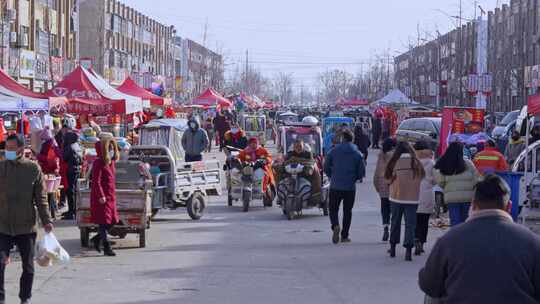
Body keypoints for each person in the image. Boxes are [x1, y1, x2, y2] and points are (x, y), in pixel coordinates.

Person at [419, 174, 540, 304]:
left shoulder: (449, 240)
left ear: (473, 205)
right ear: (509, 207)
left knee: (432, 296)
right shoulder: (532, 242)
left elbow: (429, 285)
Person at [0, 134, 53, 304]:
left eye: (11, 148)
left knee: (28, 267)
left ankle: (25, 298)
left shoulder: (33, 169)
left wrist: (47, 220)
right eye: (5, 148)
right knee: (0, 264)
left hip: (26, 226)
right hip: (3, 225)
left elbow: (41, 198)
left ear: (21, 149)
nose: (7, 151)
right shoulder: (1, 167)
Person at [384, 141, 425, 261]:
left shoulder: (394, 161)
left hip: (396, 197)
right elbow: (422, 176)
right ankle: (408, 250)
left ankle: (393, 248)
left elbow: (387, 179)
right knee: (410, 224)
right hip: (412, 198)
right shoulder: (416, 162)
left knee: (395, 222)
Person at [324, 130, 366, 244]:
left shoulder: (333, 151)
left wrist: (331, 175)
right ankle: (344, 235)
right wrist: (354, 178)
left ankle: (335, 225)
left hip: (335, 185)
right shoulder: (357, 153)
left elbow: (326, 166)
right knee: (348, 211)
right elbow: (361, 171)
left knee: (333, 209)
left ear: (343, 138)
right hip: (350, 187)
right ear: (352, 139)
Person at [434, 142, 480, 227]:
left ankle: (456, 239)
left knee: (455, 222)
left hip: (452, 198)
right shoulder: (469, 163)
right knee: (466, 222)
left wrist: (448, 188)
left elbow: (440, 182)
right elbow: (476, 180)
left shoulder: (445, 164)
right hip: (467, 198)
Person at [90, 135, 119, 257]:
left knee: (113, 221)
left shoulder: (111, 162)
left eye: (113, 148)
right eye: (110, 148)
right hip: (101, 198)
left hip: (110, 196)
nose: (112, 150)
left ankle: (97, 239)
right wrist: (101, 195)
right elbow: (96, 181)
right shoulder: (98, 163)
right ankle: (107, 247)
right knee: (103, 222)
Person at [413, 141, 435, 256]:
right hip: (427, 193)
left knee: (415, 220)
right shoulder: (431, 162)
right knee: (424, 221)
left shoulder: (412, 161)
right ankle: (421, 242)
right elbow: (435, 179)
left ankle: (415, 238)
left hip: (413, 193)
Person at [373, 138, 396, 242]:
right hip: (394, 185)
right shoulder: (396, 156)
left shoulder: (381, 156)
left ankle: (385, 226)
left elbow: (377, 173)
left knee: (384, 208)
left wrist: (377, 186)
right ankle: (393, 230)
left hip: (382, 185)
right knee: (394, 209)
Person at [62, 131, 82, 220]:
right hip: (76, 170)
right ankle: (73, 210)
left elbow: (64, 157)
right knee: (74, 191)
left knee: (70, 191)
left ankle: (71, 211)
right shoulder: (77, 146)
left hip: (70, 170)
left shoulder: (69, 147)